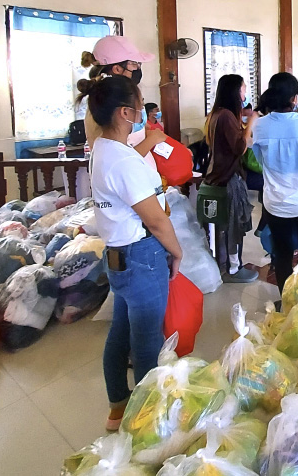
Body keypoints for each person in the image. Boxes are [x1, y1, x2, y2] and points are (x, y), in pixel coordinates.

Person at [82, 75, 183, 430]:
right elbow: (156, 221)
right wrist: (177, 252)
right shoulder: (120, 161)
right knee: (147, 341)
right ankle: (148, 420)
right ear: (126, 112)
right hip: (142, 256)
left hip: (118, 257)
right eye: (139, 107)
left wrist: (150, 142)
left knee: (121, 332)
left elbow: (126, 169)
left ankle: (117, 407)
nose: (143, 112)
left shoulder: (102, 149)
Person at [252, 73, 298, 291]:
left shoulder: (260, 126)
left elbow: (260, 161)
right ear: (294, 98)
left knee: (281, 254)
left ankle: (287, 301)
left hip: (275, 202)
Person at [205, 74, 259, 283]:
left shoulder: (216, 114)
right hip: (229, 178)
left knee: (224, 226)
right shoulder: (227, 116)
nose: (245, 93)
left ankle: (224, 266)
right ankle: (233, 269)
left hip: (218, 177)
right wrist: (250, 123)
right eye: (243, 89)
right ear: (235, 91)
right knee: (233, 225)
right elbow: (238, 147)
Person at [81, 35, 154, 145]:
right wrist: (153, 140)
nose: (137, 69)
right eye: (134, 64)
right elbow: (117, 154)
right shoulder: (107, 102)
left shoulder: (119, 97)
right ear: (117, 69)